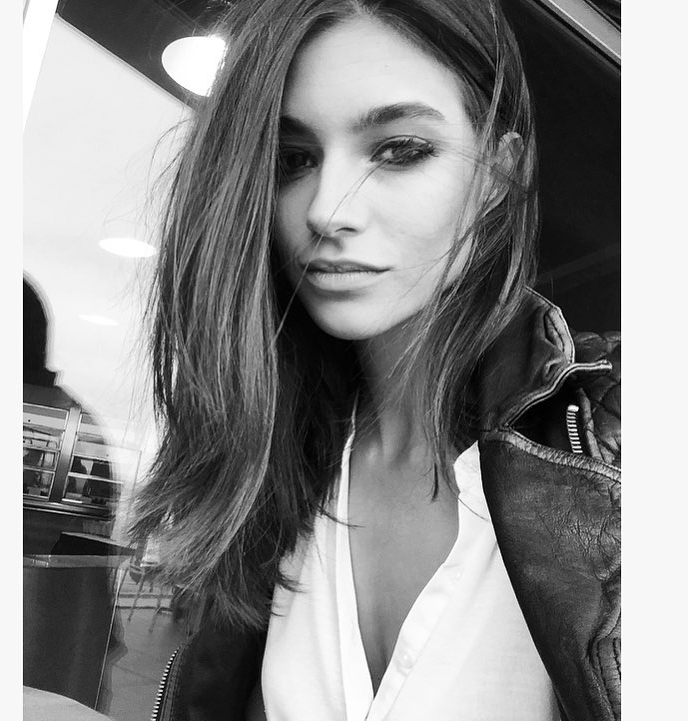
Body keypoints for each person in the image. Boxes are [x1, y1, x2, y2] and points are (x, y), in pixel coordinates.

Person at [130, 1, 620, 720]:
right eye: (293, 159)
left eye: (399, 150)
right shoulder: (267, 468)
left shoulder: (614, 450)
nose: (327, 209)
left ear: (499, 174)